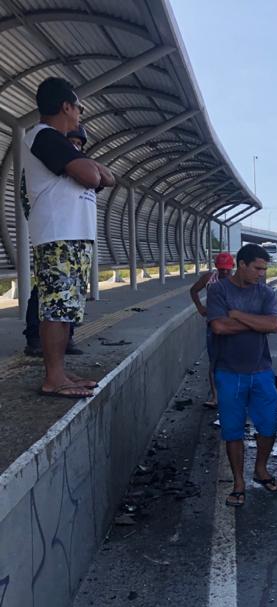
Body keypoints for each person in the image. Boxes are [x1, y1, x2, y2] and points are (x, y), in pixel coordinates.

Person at [23, 78, 115, 397]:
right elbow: (93, 176)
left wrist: (88, 169)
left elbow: (108, 177)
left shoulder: (60, 142)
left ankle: (60, 371)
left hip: (73, 237)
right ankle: (53, 377)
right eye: (79, 108)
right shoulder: (43, 136)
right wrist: (90, 170)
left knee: (67, 310)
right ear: (66, 106)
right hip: (57, 235)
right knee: (55, 308)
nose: (80, 114)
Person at [206, 244, 277, 507]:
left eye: (264, 269)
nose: (261, 274)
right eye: (257, 268)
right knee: (232, 430)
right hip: (228, 372)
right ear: (241, 264)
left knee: (270, 424)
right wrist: (255, 323)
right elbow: (218, 327)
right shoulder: (218, 290)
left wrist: (237, 315)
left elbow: (273, 325)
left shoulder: (266, 293)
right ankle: (238, 482)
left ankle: (260, 470)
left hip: (261, 371)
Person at [22, 125, 91, 358]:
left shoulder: (77, 165)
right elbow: (28, 198)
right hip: (54, 236)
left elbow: (98, 180)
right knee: (47, 292)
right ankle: (35, 338)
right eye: (72, 142)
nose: (76, 147)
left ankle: (67, 338)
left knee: (71, 293)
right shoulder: (45, 160)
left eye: (80, 144)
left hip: (77, 236)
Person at [191, 252, 235, 408]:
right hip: (213, 324)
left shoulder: (237, 281)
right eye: (221, 269)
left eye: (227, 269)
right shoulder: (209, 278)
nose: (224, 272)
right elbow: (193, 290)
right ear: (217, 267)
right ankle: (215, 397)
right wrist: (200, 307)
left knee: (233, 360)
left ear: (233, 267)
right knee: (214, 360)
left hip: (232, 325)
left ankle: (232, 394)